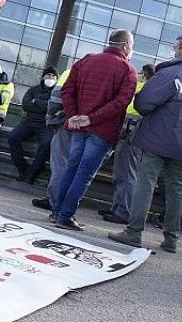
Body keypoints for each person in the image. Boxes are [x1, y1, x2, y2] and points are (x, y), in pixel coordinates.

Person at [109, 34, 182, 253]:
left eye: (175, 46)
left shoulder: (169, 74)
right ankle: (171, 239)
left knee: (145, 183)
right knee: (177, 188)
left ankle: (133, 232)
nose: (173, 49)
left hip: (159, 140)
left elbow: (143, 104)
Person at [54, 30, 137, 231]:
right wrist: (91, 119)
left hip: (77, 127)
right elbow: (121, 103)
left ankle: (57, 211)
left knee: (71, 167)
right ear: (126, 45)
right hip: (102, 129)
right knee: (84, 173)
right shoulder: (128, 70)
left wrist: (74, 115)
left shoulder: (86, 61)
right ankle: (65, 215)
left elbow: (67, 90)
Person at [100, 64, 155, 224]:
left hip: (130, 130)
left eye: (139, 73)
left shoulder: (143, 87)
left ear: (144, 74)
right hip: (133, 130)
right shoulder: (151, 89)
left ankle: (123, 211)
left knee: (125, 172)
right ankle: (118, 207)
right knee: (124, 172)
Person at [8, 66, 58, 184]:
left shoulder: (57, 92)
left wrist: (36, 102)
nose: (50, 77)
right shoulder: (33, 90)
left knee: (46, 144)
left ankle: (33, 173)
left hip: (46, 125)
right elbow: (25, 105)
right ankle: (23, 169)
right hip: (29, 121)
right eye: (48, 75)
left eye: (53, 76)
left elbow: (53, 107)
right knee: (12, 138)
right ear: (43, 77)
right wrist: (44, 106)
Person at [31, 68, 70, 211]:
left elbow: (54, 102)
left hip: (66, 122)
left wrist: (52, 119)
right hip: (88, 127)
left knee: (59, 164)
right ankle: (63, 203)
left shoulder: (71, 72)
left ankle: (53, 200)